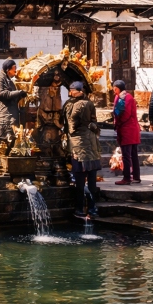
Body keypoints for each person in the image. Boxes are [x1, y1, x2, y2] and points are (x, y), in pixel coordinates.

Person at [63, 81, 101, 217]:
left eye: (71, 89)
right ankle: (92, 208)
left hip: (78, 145)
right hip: (92, 144)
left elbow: (70, 126)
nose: (70, 91)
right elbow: (94, 122)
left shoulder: (70, 105)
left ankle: (79, 208)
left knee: (79, 180)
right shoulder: (89, 103)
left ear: (77, 91)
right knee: (91, 179)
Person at [112, 79, 141, 185]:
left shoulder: (126, 98)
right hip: (131, 129)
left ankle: (127, 178)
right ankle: (136, 177)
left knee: (127, 155)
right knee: (133, 154)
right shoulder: (121, 97)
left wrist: (118, 124)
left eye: (114, 89)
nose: (113, 91)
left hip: (128, 130)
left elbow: (126, 115)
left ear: (117, 88)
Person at [0, 59, 25, 147]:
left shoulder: (9, 80)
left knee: (12, 149)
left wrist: (21, 95)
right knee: (2, 148)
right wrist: (18, 92)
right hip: (3, 120)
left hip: (11, 119)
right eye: (14, 68)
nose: (15, 71)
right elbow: (1, 93)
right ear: (8, 69)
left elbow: (12, 99)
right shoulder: (0, 78)